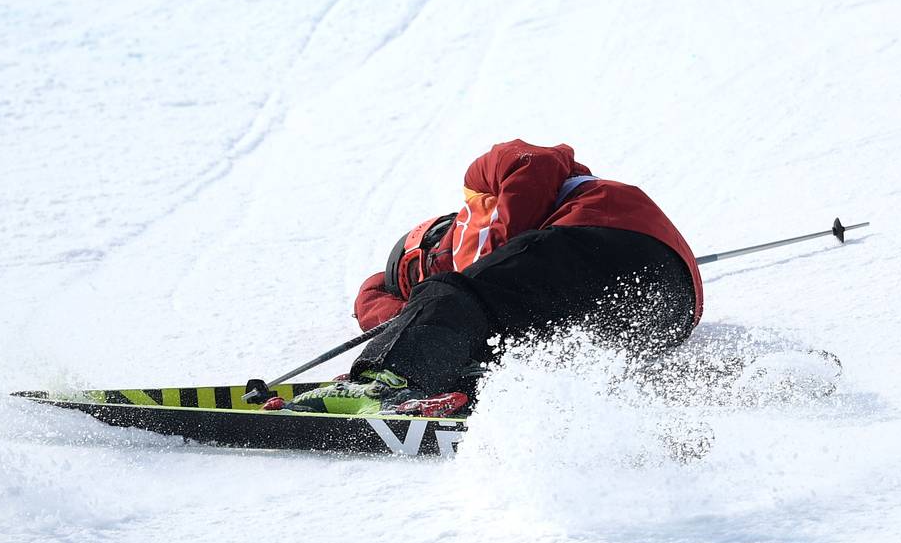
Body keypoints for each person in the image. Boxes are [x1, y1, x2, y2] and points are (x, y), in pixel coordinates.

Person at [274, 139, 704, 416]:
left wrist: (453, 283)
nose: (437, 270)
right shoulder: (502, 288)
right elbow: (421, 317)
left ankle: (385, 382)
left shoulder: (490, 180)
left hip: (610, 244)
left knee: (457, 301)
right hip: (662, 314)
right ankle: (449, 394)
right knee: (500, 356)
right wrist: (422, 307)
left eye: (425, 263)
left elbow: (537, 161)